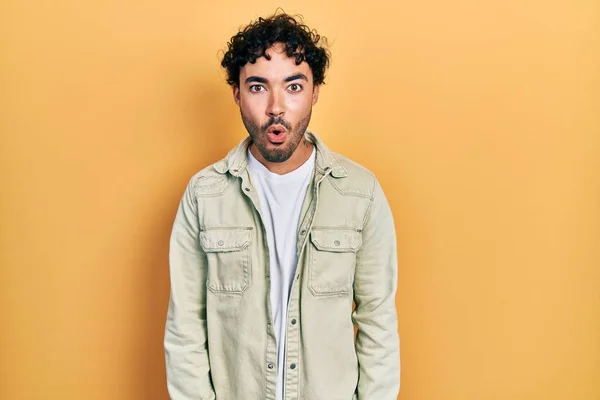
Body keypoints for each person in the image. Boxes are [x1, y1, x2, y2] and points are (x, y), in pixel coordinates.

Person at [164, 11, 400, 400]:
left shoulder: (361, 193)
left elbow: (378, 324)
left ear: (315, 91)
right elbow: (186, 328)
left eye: (293, 86)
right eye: (258, 87)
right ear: (237, 94)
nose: (276, 107)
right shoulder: (204, 195)